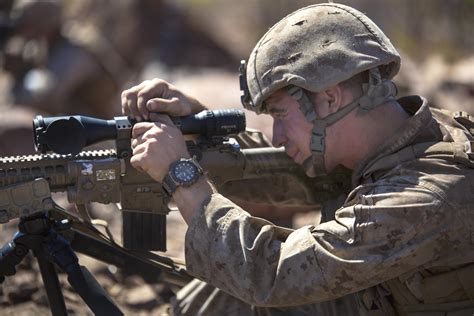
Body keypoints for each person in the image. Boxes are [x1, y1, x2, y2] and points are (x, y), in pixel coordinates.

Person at [121, 3, 474, 315]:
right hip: (383, 297)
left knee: (249, 277)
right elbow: (292, 174)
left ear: (330, 99)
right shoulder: (404, 137)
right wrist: (197, 130)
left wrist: (180, 175)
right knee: (223, 293)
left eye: (279, 114)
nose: (277, 136)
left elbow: (270, 273)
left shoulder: (424, 195)